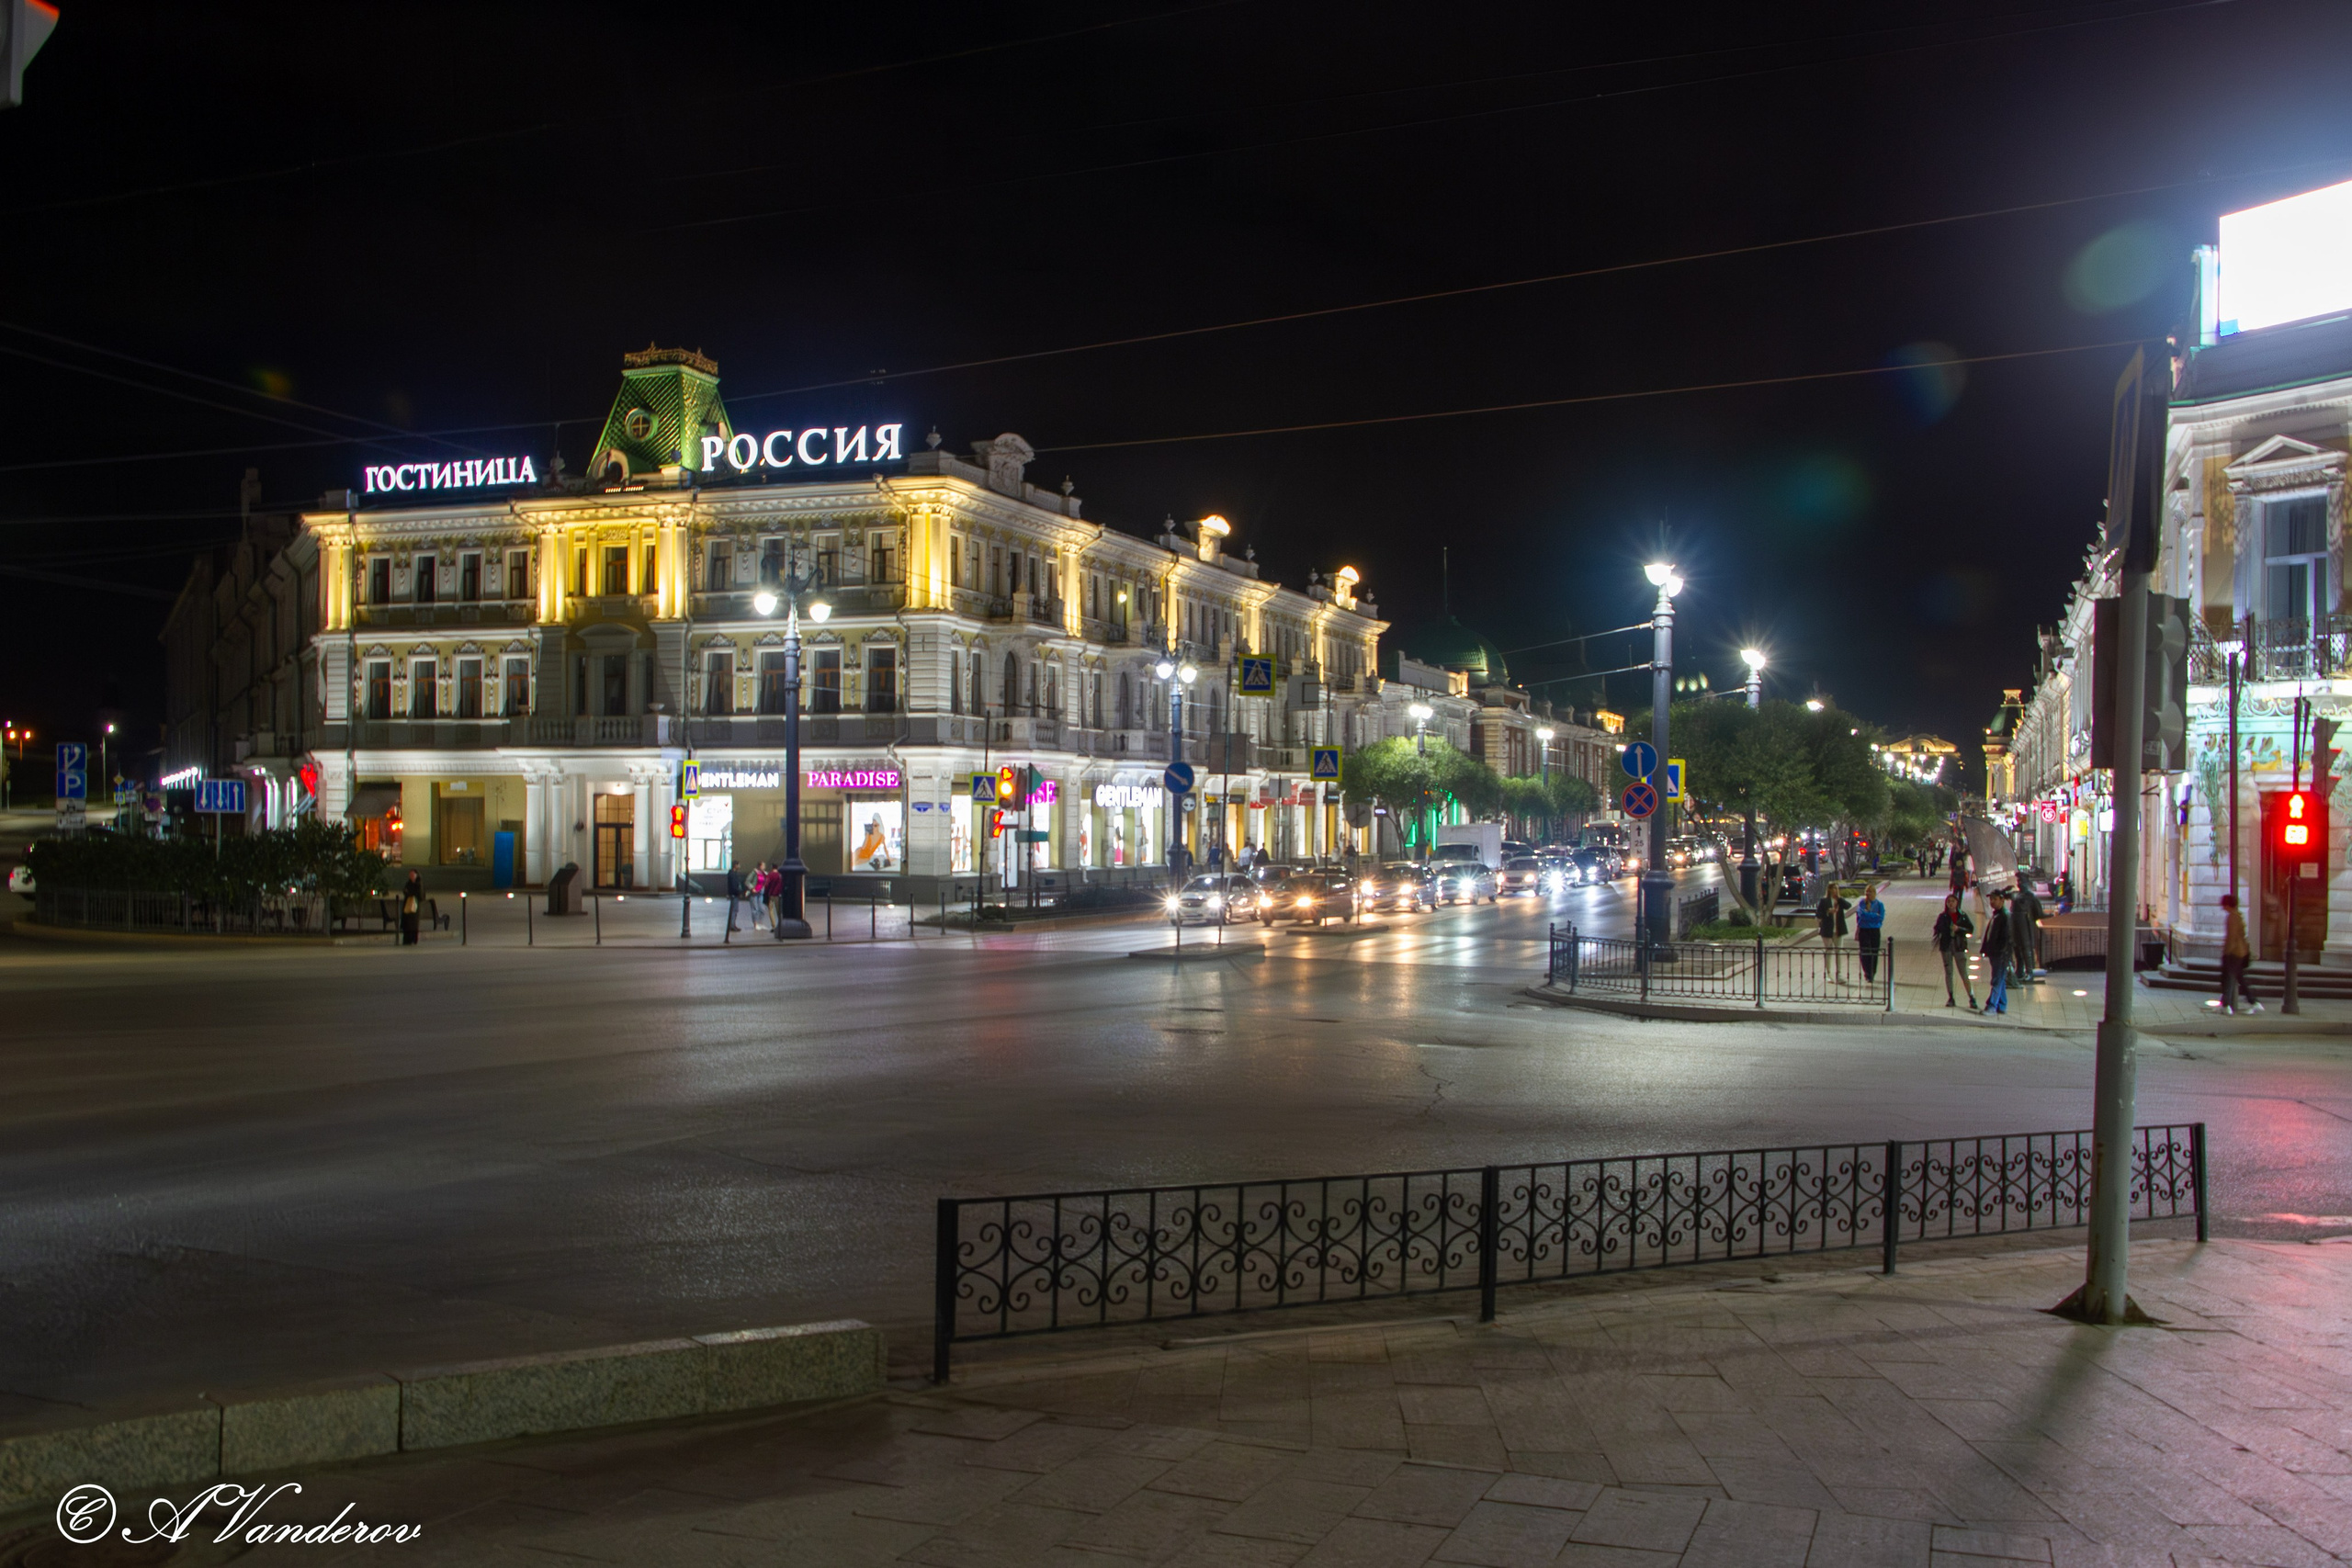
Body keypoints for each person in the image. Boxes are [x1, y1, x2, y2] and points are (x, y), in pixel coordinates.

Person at [2220, 893, 2262, 1014]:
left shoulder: (2232, 917)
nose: (2223, 907)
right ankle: (2253, 1002)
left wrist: (2226, 953)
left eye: (2224, 905)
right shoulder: (2238, 916)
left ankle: (2226, 1006)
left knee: (2229, 978)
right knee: (2239, 979)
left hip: (2234, 953)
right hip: (2240, 952)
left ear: (2227, 905)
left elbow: (2232, 937)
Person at [1932, 892, 1976, 1009]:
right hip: (1946, 946)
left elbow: (1970, 929)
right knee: (1949, 972)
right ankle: (1951, 997)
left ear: (1957, 903)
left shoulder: (1962, 915)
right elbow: (1937, 928)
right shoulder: (1943, 916)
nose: (1950, 904)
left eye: (1953, 901)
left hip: (1959, 946)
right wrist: (1944, 930)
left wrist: (1959, 929)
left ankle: (1971, 997)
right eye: (1949, 902)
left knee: (1963, 973)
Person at [1980, 890, 2013, 1016]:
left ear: (2002, 899)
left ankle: (1992, 1005)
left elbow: (2007, 938)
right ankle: (2002, 1005)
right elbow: (1990, 934)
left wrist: (2004, 953)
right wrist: (1985, 949)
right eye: (1991, 899)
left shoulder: (2005, 916)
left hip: (2000, 954)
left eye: (1994, 899)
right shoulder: (1997, 915)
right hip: (1995, 953)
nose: (1992, 902)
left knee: (1997, 980)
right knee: (2000, 980)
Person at [2010, 878, 2045, 982]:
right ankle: (2020, 970)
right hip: (2016, 923)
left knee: (2026, 947)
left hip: (2025, 923)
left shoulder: (2030, 897)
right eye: (2019, 882)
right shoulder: (2016, 895)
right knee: (2016, 947)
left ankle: (2029, 972)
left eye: (2021, 882)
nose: (2019, 884)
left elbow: (2038, 912)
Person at [1854, 883, 1886, 982]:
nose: (1868, 894)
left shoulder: (1879, 904)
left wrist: (1869, 915)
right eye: (1867, 892)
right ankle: (1867, 973)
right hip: (1864, 930)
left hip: (1875, 931)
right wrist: (1873, 916)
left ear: (1874, 893)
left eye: (1870, 892)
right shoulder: (1862, 903)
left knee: (1874, 952)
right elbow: (1861, 916)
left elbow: (1880, 918)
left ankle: (1872, 972)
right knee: (1865, 952)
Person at [400, 871, 423, 945]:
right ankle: (407, 939)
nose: (411, 877)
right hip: (408, 906)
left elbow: (420, 895)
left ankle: (413, 939)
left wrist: (410, 893)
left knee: (413, 924)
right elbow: (405, 891)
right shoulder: (408, 883)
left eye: (413, 875)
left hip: (414, 907)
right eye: (410, 875)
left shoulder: (419, 885)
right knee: (407, 923)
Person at [749, 861, 771, 931]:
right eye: (763, 865)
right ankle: (755, 924)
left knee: (762, 909)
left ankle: (760, 923)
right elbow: (747, 881)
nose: (764, 867)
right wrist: (752, 888)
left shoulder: (764, 873)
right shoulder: (754, 873)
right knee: (755, 909)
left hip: (761, 893)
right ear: (759, 866)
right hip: (754, 893)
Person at [724, 860, 745, 932]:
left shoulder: (732, 873)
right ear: (735, 865)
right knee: (734, 910)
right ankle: (732, 925)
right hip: (734, 894)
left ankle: (732, 924)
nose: (739, 866)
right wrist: (738, 892)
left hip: (734, 893)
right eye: (738, 865)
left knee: (734, 910)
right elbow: (734, 885)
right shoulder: (733, 874)